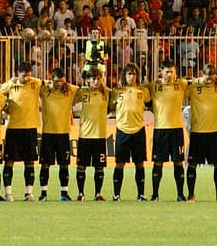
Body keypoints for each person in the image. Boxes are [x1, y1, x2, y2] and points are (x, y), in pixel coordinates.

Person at [0, 60, 43, 201]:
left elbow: (50, 85)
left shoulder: (36, 83)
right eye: (24, 75)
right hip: (13, 128)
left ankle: (28, 193)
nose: (26, 78)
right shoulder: (11, 85)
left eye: (28, 75)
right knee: (9, 161)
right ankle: (8, 193)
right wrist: (11, 82)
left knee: (29, 161)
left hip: (30, 128)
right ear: (17, 74)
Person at [110, 63, 152, 200]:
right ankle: (116, 194)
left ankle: (141, 194)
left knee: (139, 163)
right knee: (119, 163)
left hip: (138, 129)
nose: (131, 76)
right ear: (124, 76)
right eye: (129, 74)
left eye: (134, 74)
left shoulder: (143, 92)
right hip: (122, 130)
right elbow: (110, 108)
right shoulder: (117, 92)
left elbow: (151, 104)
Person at [187, 63, 217, 202]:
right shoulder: (193, 86)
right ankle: (191, 194)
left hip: (215, 131)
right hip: (198, 132)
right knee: (192, 164)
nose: (209, 80)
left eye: (212, 77)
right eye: (206, 77)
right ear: (202, 74)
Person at [149, 59, 188, 201]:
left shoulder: (181, 85)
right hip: (160, 129)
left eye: (172, 72)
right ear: (161, 72)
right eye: (167, 72)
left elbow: (197, 81)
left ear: (176, 73)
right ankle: (155, 194)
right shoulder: (154, 86)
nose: (169, 75)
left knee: (178, 162)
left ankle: (180, 194)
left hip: (177, 129)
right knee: (158, 162)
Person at [39, 67, 79, 201]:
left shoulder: (70, 90)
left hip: (63, 133)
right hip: (48, 133)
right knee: (45, 164)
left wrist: (66, 84)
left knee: (64, 164)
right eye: (56, 81)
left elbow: (79, 88)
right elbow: (35, 83)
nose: (59, 84)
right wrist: (47, 83)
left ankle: (64, 193)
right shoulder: (44, 90)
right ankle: (43, 194)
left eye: (62, 81)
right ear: (51, 79)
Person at [74, 66, 111, 200]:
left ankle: (98, 193)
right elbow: (69, 99)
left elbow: (113, 105)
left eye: (98, 79)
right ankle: (81, 193)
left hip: (100, 135)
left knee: (99, 167)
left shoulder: (107, 93)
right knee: (81, 166)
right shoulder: (81, 93)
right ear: (88, 80)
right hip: (85, 135)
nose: (96, 81)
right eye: (93, 79)